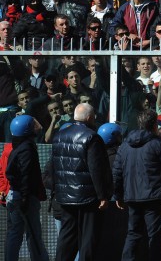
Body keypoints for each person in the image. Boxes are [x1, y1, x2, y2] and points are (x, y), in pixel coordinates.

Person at [51, 103, 113, 261]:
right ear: (89, 117)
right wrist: (102, 196)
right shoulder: (92, 137)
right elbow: (96, 170)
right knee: (88, 241)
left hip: (65, 196)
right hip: (87, 198)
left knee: (66, 239)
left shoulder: (59, 136)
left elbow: (55, 167)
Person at [113, 109, 161, 261]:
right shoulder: (157, 144)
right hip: (153, 196)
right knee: (155, 236)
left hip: (132, 196)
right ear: (154, 125)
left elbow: (117, 173)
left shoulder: (125, 146)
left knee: (133, 233)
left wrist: (118, 195)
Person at [5, 115, 49, 261]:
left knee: (14, 232)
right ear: (27, 130)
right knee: (34, 233)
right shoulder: (27, 149)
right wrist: (25, 197)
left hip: (14, 195)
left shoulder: (16, 147)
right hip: (25, 196)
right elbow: (26, 175)